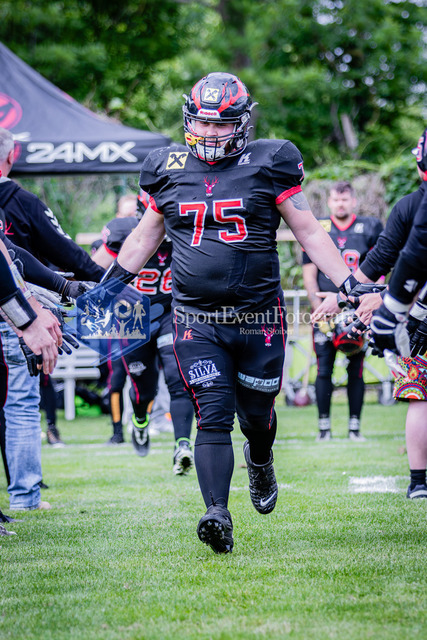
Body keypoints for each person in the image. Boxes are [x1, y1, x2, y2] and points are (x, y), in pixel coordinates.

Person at [101, 72, 362, 554]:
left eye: (221, 124)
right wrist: (106, 286)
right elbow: (143, 237)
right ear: (188, 119)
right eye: (202, 122)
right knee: (213, 413)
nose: (210, 132)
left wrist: (348, 282)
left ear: (242, 123)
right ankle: (217, 513)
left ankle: (260, 460)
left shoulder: (270, 161)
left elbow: (308, 230)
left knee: (256, 417)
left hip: (257, 317)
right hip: (195, 317)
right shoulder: (167, 167)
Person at [0, 126, 103, 510]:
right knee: (21, 406)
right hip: (16, 314)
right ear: (12, 155)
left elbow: (9, 255)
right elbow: (59, 253)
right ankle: (25, 494)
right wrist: (95, 282)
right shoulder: (22, 200)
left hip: (21, 307)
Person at [341, 129, 427, 499]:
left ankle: (418, 481)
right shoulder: (410, 206)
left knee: (420, 396)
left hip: (413, 310)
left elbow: (397, 257)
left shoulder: (410, 205)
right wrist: (345, 293)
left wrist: (389, 304)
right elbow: (385, 257)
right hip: (412, 307)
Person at [93, 190, 195, 474]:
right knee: (143, 389)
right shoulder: (123, 232)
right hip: (133, 314)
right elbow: (91, 269)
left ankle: (182, 445)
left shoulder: (187, 229)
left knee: (178, 378)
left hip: (171, 312)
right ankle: (140, 419)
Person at [302, 181, 383, 441]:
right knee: (323, 369)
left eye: (345, 199)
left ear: (353, 201)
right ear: (329, 202)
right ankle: (324, 429)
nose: (340, 204)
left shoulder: (369, 227)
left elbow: (380, 270)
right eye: (336, 199)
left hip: (358, 310)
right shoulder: (318, 227)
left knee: (356, 368)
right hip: (326, 309)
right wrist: (318, 309)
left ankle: (354, 428)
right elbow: (309, 273)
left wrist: (368, 305)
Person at [0, 243, 61, 512]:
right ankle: (25, 497)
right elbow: (8, 259)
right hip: (10, 315)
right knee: (22, 406)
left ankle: (24, 498)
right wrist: (29, 318)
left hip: (10, 313)